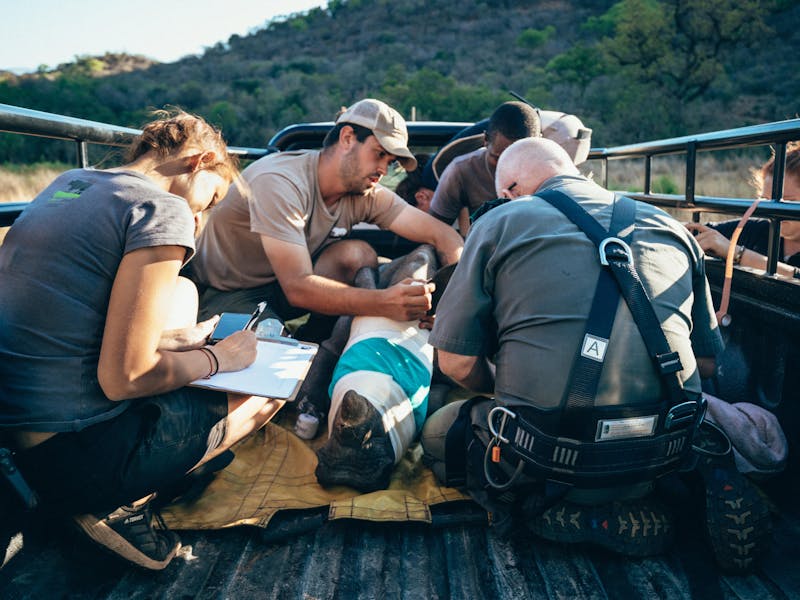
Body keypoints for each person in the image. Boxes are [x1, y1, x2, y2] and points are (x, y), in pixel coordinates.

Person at [419, 138, 772, 566]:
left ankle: (550, 505)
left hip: (548, 453)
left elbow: (454, 362)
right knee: (665, 420)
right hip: (658, 450)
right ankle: (683, 485)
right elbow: (707, 364)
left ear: (509, 189)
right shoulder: (672, 227)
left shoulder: (500, 222)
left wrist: (500, 388)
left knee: (439, 430)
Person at [0, 111, 284, 571]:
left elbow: (72, 315)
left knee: (185, 293)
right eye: (211, 198)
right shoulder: (163, 209)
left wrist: (178, 340)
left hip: (13, 442)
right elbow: (124, 376)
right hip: (73, 460)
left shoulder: (70, 182)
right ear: (202, 160)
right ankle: (124, 502)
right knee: (265, 393)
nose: (202, 216)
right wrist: (218, 358)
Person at [189, 99, 463, 342]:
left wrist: (452, 310)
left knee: (357, 254)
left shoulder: (366, 191)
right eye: (379, 154)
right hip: (226, 290)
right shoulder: (281, 182)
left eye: (390, 162)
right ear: (347, 138)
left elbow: (445, 236)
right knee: (272, 363)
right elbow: (298, 287)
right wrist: (384, 302)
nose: (383, 169)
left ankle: (317, 340)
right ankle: (298, 350)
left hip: (281, 288)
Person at [685, 141, 800, 279]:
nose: (773, 212)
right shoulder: (761, 229)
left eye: (787, 201)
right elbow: (707, 233)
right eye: (767, 201)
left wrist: (737, 253)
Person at [428, 101, 541, 235]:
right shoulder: (462, 170)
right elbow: (435, 229)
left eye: (520, 159)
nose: (507, 166)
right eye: (498, 158)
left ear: (539, 144)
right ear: (486, 140)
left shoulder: (552, 172)